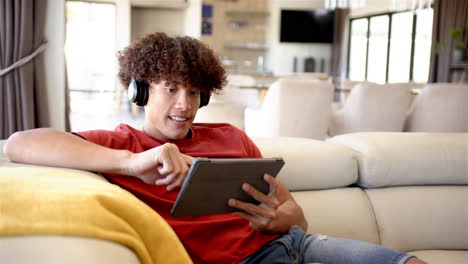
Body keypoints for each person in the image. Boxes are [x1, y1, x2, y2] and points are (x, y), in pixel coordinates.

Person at [3, 32, 426, 264]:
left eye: (194, 92)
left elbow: (295, 213)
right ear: (140, 91)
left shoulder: (231, 135)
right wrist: (132, 162)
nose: (184, 105)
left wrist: (277, 219)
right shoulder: (124, 145)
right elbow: (21, 144)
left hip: (297, 245)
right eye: (170, 89)